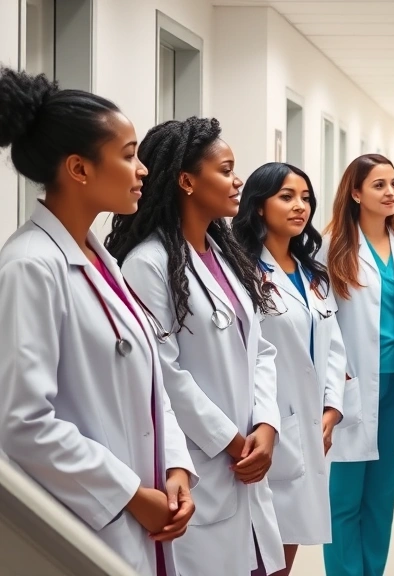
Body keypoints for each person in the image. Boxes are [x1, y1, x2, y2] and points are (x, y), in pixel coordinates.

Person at [0, 68, 196, 576]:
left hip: (144, 509)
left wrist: (176, 467)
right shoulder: (29, 266)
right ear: (79, 169)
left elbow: (149, 382)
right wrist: (130, 494)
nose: (144, 171)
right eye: (129, 155)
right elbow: (23, 423)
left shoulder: (96, 257)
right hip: (88, 523)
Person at [106, 117, 286, 576]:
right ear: (187, 181)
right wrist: (231, 441)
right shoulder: (148, 264)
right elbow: (163, 374)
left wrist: (266, 424)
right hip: (203, 461)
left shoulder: (226, 255)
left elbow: (260, 349)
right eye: (226, 170)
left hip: (247, 456)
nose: (238, 181)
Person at [321, 153, 394, 576]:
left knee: (381, 501)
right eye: (379, 185)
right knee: (344, 503)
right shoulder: (331, 245)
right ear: (355, 193)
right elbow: (324, 321)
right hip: (351, 389)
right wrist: (333, 384)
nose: (391, 193)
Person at [231, 162, 348, 576]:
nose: (300, 206)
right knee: (256, 559)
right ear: (258, 206)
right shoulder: (240, 272)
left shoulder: (313, 273)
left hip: (310, 427)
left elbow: (334, 346)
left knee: (284, 560)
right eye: (286, 197)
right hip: (262, 427)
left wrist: (331, 409)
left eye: (305, 198)